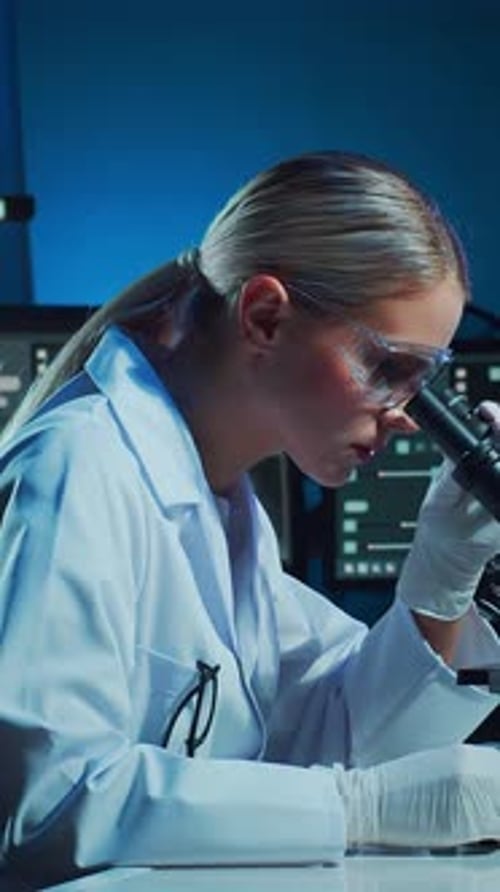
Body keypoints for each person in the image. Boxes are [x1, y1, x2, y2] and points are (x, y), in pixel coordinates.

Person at [0, 150, 500, 889]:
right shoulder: (77, 467)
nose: (402, 415)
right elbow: (43, 810)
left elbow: (346, 734)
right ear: (265, 317)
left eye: (421, 384)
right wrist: (358, 809)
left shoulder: (225, 511)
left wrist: (443, 575)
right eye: (389, 367)